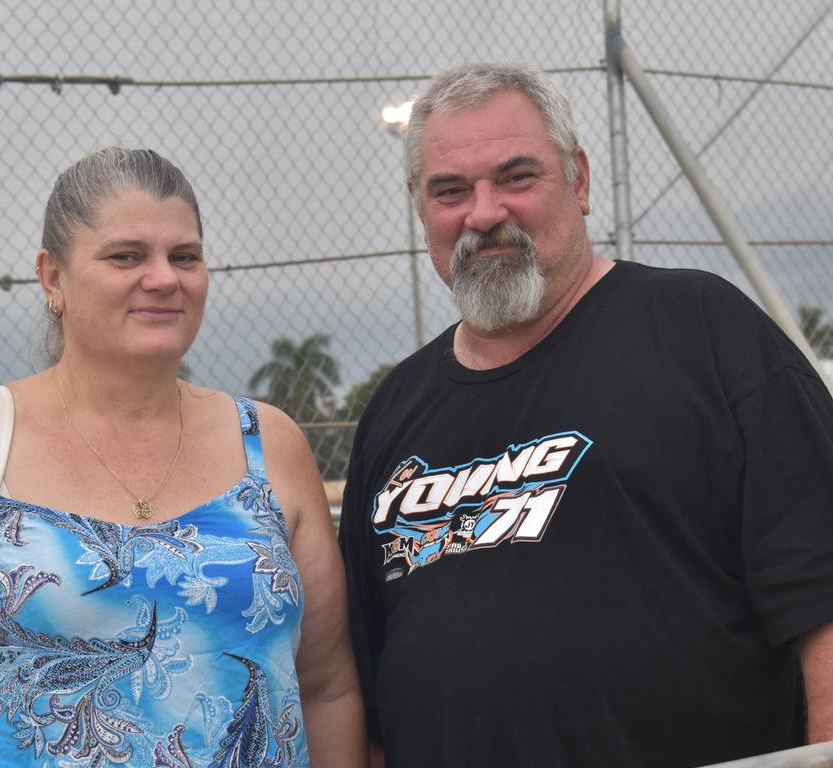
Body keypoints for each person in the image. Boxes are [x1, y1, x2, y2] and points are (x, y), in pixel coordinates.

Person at [338, 61, 833, 768]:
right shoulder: (396, 408)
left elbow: (822, 596)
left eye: (517, 177)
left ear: (580, 181)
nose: (484, 214)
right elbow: (368, 690)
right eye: (450, 191)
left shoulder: (702, 329)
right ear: (422, 208)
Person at [0, 147, 367, 767]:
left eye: (185, 256)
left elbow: (326, 687)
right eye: (126, 256)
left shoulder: (269, 444)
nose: (163, 278)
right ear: (53, 278)